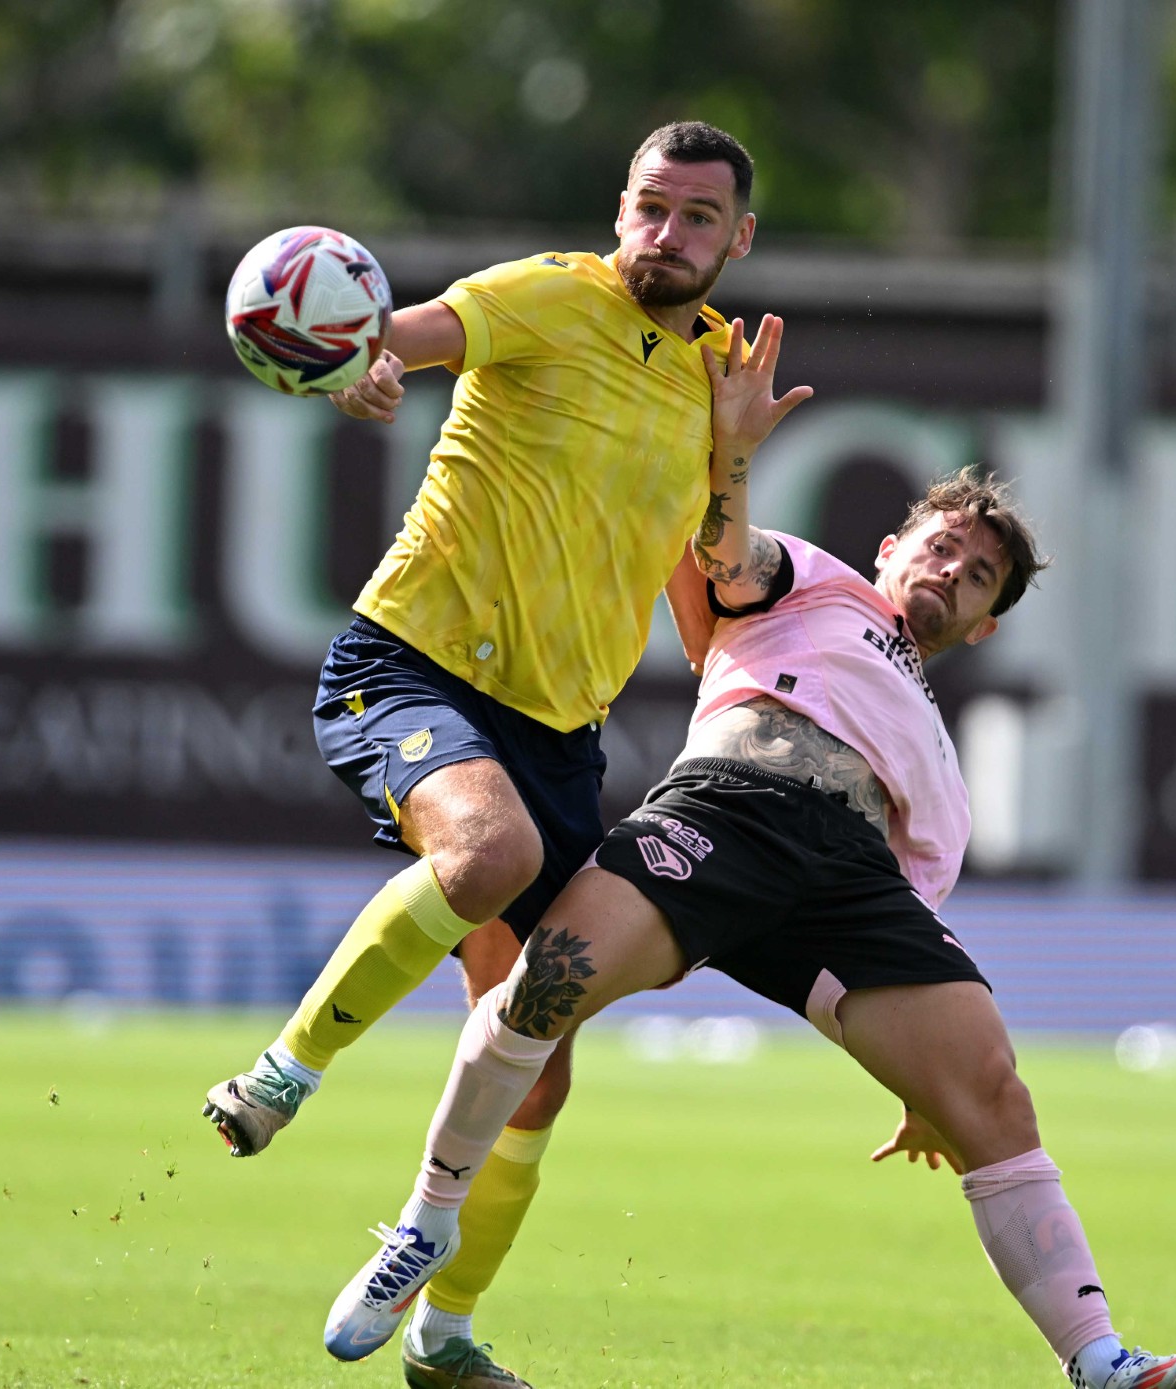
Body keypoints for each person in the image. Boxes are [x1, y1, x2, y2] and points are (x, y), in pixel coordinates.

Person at [318, 333, 1176, 1387]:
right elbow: (722, 553)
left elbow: (910, 911)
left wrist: (922, 1091)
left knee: (993, 1094)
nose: (952, 572)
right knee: (546, 989)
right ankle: (427, 1224)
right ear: (894, 548)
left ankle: (1103, 1364)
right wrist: (730, 450)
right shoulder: (814, 581)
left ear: (987, 626)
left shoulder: (942, 773)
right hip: (728, 811)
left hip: (847, 880)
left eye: (980, 576)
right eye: (940, 547)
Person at [201, 121, 811, 1387]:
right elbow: (404, 338)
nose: (669, 234)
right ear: (621, 206)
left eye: (700, 218)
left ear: (737, 241)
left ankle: (446, 1337)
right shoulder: (548, 295)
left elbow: (702, 581)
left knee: (534, 1061)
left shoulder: (714, 385)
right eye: (652, 207)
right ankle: (281, 1073)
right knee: (488, 854)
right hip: (411, 662)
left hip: (559, 734)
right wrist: (368, 367)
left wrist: (736, 461)